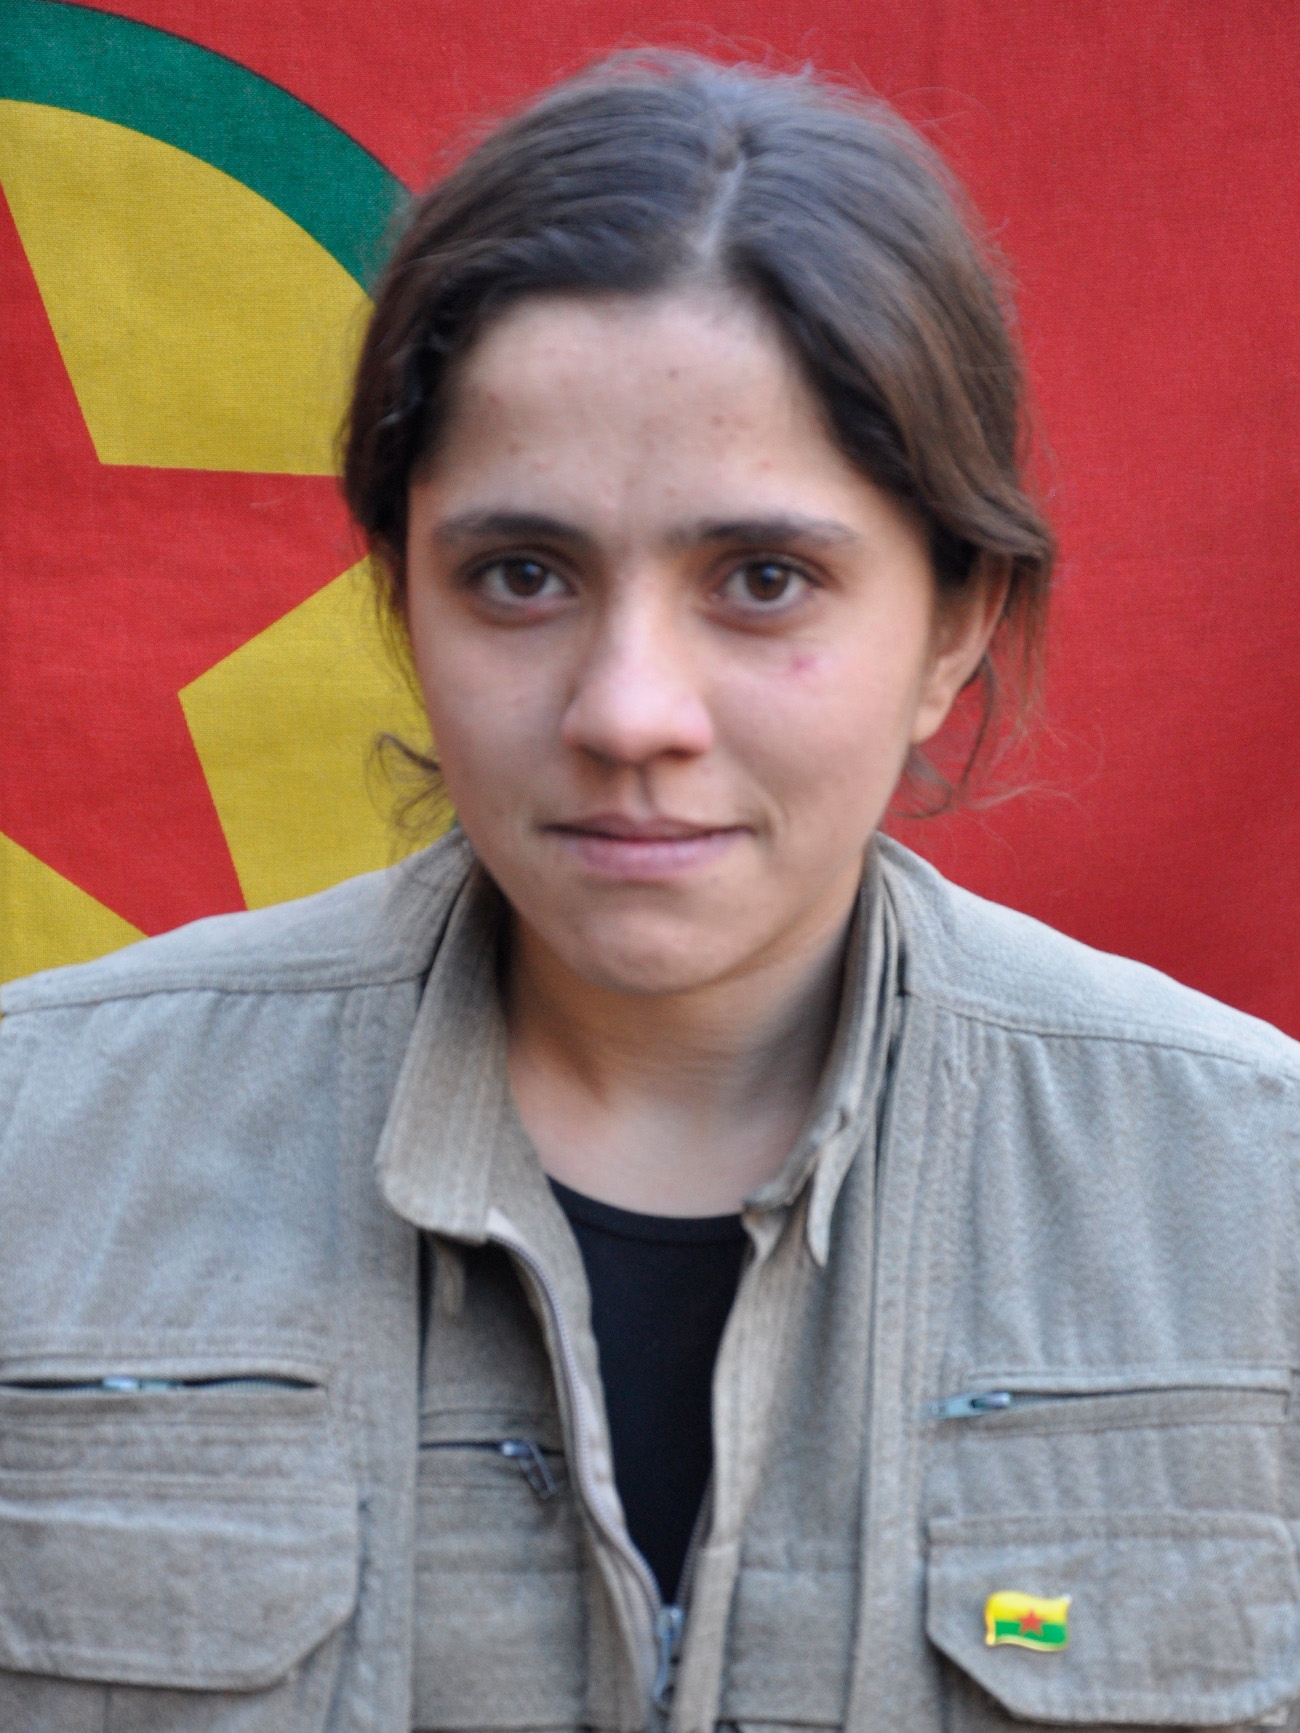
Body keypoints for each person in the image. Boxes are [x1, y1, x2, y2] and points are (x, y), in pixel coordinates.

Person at [1, 49, 1298, 1733]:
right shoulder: (36, 1150)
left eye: (762, 578)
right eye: (520, 574)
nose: (627, 711)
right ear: (402, 601)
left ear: (956, 622)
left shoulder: (1257, 1198)